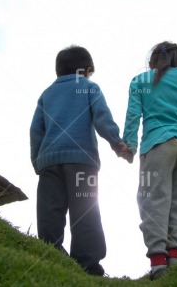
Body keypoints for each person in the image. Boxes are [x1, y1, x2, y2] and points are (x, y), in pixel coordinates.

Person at [30, 45, 128, 276]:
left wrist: (38, 160)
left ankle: (51, 257)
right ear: (87, 70)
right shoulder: (88, 87)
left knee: (49, 212)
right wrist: (116, 142)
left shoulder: (47, 94)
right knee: (85, 211)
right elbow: (102, 117)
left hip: (50, 163)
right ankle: (88, 265)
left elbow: (36, 130)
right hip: (82, 162)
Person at [122, 41, 177, 280]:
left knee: (153, 200)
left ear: (152, 62)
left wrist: (130, 146)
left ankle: (158, 264)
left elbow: (133, 116)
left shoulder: (140, 81)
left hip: (157, 146)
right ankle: (175, 257)